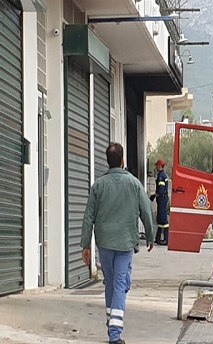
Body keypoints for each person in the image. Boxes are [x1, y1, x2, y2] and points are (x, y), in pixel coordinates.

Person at [80, 143, 155, 344]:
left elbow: (88, 216)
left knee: (111, 283)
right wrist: (150, 235)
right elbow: (146, 211)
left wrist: (86, 245)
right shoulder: (133, 183)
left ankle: (111, 322)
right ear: (122, 161)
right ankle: (115, 333)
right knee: (121, 284)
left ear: (108, 161)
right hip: (124, 242)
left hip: (104, 242)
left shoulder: (98, 185)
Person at [150, 159, 169, 245]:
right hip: (162, 199)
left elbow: (161, 190)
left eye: (157, 166)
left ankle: (166, 239)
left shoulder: (161, 176)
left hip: (162, 199)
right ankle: (158, 238)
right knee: (160, 219)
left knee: (163, 220)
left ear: (160, 166)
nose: (156, 167)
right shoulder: (163, 175)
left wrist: (154, 195)